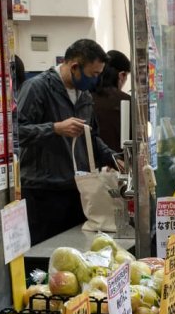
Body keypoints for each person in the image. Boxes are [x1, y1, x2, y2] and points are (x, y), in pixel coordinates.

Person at [15, 38, 121, 244]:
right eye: (94, 75)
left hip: (77, 190)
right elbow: (16, 133)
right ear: (75, 67)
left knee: (77, 253)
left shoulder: (84, 96)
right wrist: (54, 128)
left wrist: (114, 158)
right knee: (45, 257)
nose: (96, 81)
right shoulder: (37, 89)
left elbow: (91, 136)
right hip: (43, 192)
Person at [93, 50, 133, 153]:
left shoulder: (86, 97)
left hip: (90, 164)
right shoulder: (126, 101)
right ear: (122, 75)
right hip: (120, 163)